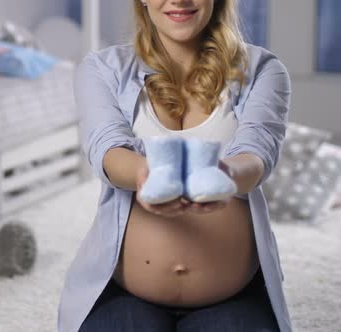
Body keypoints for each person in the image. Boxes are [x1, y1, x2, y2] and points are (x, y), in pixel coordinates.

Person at [57, 0, 292, 331]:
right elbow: (107, 150)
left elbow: (257, 153)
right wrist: (145, 176)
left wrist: (226, 176)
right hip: (124, 293)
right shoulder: (101, 68)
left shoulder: (262, 69)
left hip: (232, 294)